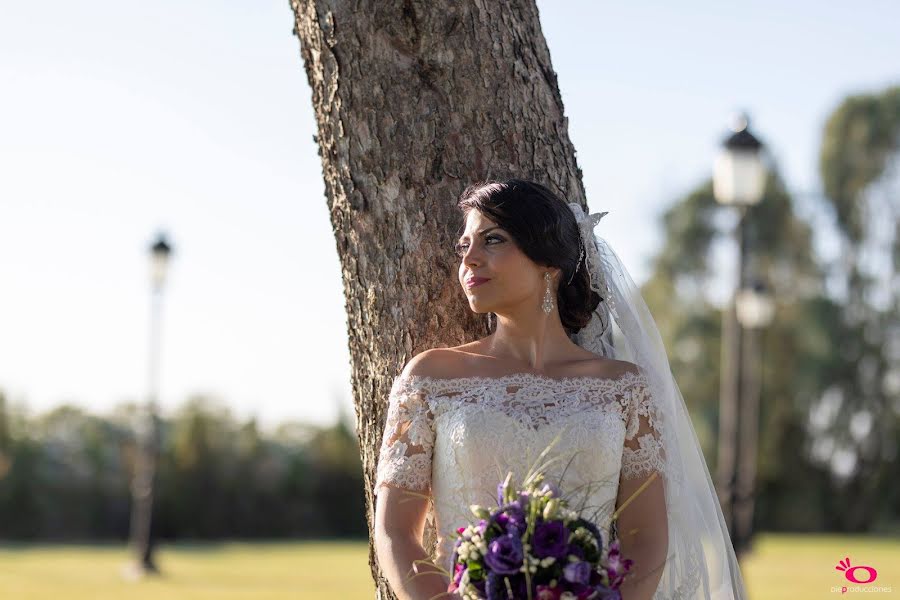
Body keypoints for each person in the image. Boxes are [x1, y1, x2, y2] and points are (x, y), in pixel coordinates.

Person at [372, 179, 747, 599]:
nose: (469, 259)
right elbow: (395, 531)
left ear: (549, 262)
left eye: (492, 240)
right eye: (464, 246)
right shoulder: (431, 377)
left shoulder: (623, 389)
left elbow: (646, 540)